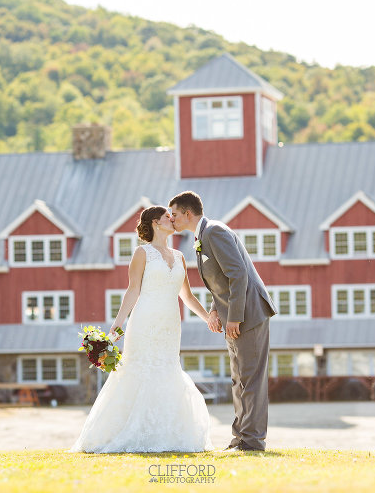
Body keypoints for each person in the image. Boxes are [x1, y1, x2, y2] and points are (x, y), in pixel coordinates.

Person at [70, 205, 214, 453]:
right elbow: (133, 290)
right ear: (156, 223)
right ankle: (123, 432)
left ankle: (166, 433)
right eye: (168, 217)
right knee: (138, 370)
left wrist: (208, 318)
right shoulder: (142, 253)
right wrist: (116, 327)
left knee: (168, 370)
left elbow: (187, 297)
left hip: (170, 324)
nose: (173, 220)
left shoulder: (180, 256)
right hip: (144, 321)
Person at [169, 191, 276, 452]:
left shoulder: (214, 231)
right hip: (231, 316)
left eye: (173, 214)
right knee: (239, 380)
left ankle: (253, 441)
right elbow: (221, 281)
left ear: (187, 214)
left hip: (247, 315)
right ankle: (240, 438)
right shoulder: (202, 236)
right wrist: (215, 310)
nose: (171, 219)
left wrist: (235, 318)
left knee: (251, 380)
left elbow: (237, 274)